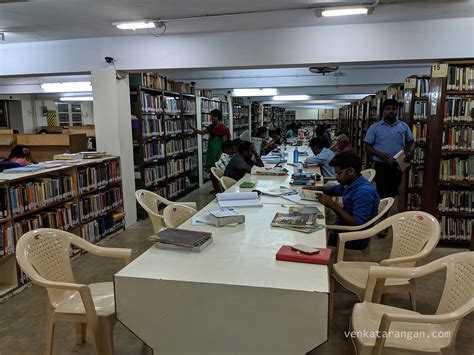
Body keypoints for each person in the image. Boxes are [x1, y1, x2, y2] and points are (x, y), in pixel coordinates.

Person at [307, 151, 380, 249]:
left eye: (339, 173)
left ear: (350, 171)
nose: (336, 177)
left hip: (352, 237)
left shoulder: (363, 192)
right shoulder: (354, 182)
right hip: (343, 227)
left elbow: (357, 223)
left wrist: (333, 205)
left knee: (310, 237)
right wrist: (316, 188)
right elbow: (335, 190)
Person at [364, 99, 415, 200]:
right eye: (388, 109)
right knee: (382, 192)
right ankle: (383, 213)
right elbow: (367, 146)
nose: (391, 111)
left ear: (397, 111)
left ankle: (385, 210)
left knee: (394, 191)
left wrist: (409, 152)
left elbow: (411, 141)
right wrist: (380, 154)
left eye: (394, 109)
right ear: (383, 111)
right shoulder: (375, 128)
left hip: (397, 166)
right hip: (381, 166)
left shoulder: (403, 126)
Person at [190, 109, 230, 192]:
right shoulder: (211, 126)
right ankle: (215, 188)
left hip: (218, 152)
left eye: (212, 116)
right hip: (211, 152)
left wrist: (220, 154)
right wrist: (192, 128)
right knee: (212, 171)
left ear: (217, 117)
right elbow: (201, 132)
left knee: (218, 170)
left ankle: (220, 187)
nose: (211, 118)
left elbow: (225, 143)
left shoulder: (223, 128)